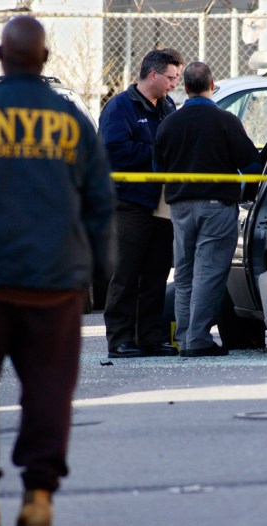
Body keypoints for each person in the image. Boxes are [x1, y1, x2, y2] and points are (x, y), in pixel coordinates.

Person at [0, 16, 115, 526]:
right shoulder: (71, 121)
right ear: (45, 58)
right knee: (50, 388)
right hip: (55, 283)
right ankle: (38, 498)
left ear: (0, 54)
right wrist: (99, 272)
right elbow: (101, 203)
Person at [153, 61, 262, 357]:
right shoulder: (225, 121)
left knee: (185, 274)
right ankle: (198, 339)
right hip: (216, 207)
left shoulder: (169, 123)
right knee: (210, 273)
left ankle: (188, 337)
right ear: (212, 85)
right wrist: (246, 195)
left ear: (185, 88)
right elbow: (252, 166)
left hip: (179, 208)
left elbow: (156, 167)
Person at [99, 49, 184, 358]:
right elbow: (113, 151)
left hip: (161, 203)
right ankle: (119, 339)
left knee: (156, 272)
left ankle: (151, 336)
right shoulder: (119, 107)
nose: (175, 83)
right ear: (153, 75)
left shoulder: (167, 106)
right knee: (126, 272)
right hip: (129, 202)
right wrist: (156, 156)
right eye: (171, 77)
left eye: (177, 77)